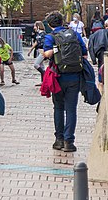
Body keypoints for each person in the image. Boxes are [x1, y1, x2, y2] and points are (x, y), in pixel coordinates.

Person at [42, 11, 87, 152]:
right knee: (71, 109)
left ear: (49, 25)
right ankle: (69, 142)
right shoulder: (74, 34)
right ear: (62, 22)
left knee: (59, 108)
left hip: (57, 77)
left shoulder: (50, 37)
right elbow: (84, 53)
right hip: (74, 77)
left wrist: (51, 52)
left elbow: (47, 54)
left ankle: (59, 140)